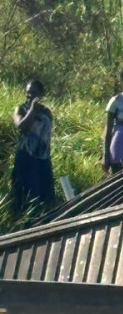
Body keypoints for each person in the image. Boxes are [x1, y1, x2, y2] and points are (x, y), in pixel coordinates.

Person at [11, 79, 56, 213]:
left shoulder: (47, 112)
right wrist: (32, 110)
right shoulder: (20, 109)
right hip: (26, 158)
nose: (30, 96)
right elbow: (22, 127)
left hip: (42, 159)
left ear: (41, 94)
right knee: (24, 196)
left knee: (44, 198)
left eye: (34, 93)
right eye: (28, 93)